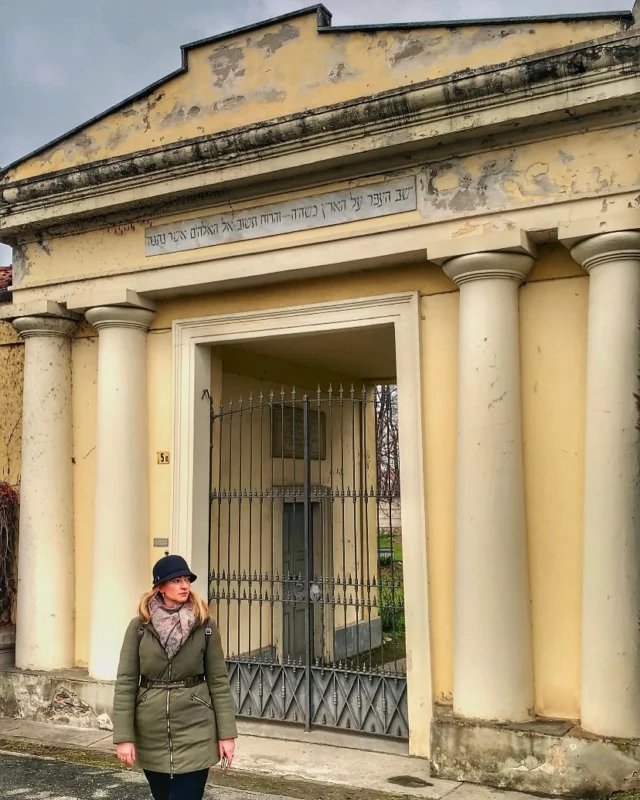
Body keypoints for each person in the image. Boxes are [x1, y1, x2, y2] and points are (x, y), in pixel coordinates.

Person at [113, 554, 237, 800]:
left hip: (196, 727)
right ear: (160, 587)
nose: (184, 586)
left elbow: (219, 682)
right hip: (151, 730)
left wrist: (227, 735)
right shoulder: (139, 627)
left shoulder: (205, 625)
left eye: (187, 580)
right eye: (176, 580)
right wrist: (124, 738)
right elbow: (126, 682)